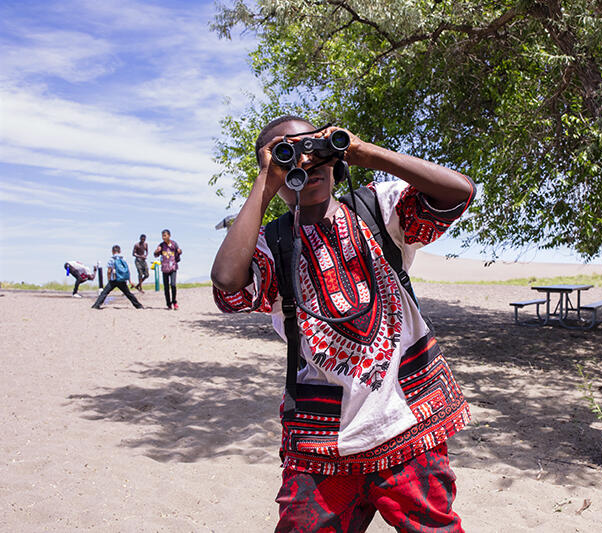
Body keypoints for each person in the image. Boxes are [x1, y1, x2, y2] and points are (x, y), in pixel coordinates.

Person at [211, 115, 475, 532]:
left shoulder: (379, 209)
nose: (305, 161)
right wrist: (267, 180)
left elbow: (459, 193)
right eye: (286, 155)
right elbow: (228, 283)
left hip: (408, 421)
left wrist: (362, 151)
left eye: (313, 147)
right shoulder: (271, 245)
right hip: (321, 440)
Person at [91, 245, 143, 309]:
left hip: (114, 279)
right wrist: (129, 281)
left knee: (104, 293)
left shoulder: (112, 259)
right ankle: (138, 306)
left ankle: (96, 305)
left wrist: (109, 279)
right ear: (120, 251)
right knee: (128, 293)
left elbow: (109, 271)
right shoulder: (123, 259)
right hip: (122, 280)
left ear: (112, 251)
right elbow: (127, 270)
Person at [154, 229, 181, 310]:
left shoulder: (174, 244)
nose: (163, 237)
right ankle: (168, 303)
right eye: (162, 236)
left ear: (169, 236)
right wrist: (156, 251)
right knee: (166, 287)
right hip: (165, 268)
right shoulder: (161, 245)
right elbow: (156, 255)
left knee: (173, 285)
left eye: (165, 235)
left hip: (173, 267)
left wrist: (179, 251)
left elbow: (178, 253)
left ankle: (174, 302)